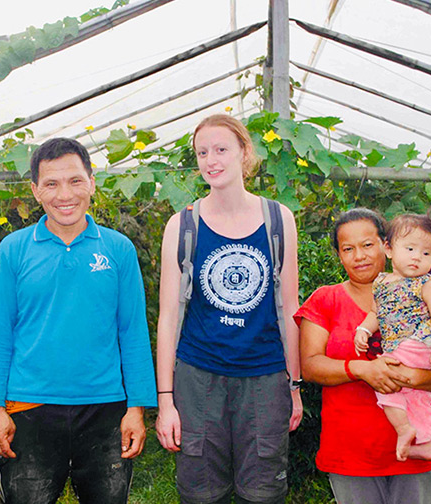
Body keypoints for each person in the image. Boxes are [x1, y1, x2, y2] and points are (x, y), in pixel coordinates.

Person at [0, 137, 157, 504]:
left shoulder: (118, 249)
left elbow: (133, 332)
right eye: (51, 184)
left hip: (106, 408)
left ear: (92, 182)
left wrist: (136, 408)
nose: (65, 194)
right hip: (28, 407)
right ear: (35, 191)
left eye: (75, 181)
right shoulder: (13, 250)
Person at [155, 114, 303, 504]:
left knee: (264, 493)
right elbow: (168, 317)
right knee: (202, 493)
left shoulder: (277, 219)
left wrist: (295, 387)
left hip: (265, 377)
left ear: (244, 153)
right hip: (199, 378)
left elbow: (290, 309)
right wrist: (166, 400)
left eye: (221, 149)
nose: (211, 161)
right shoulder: (182, 225)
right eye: (202, 152)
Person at [295, 208, 431, 504]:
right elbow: (310, 366)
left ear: (387, 245)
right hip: (351, 451)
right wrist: (363, 370)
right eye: (348, 249)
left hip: (416, 448)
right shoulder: (326, 299)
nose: (359, 256)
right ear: (339, 255)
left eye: (367, 245)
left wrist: (407, 377)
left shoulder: (421, 291)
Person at [354, 214, 431, 462]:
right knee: (416, 395)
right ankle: (428, 443)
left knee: (385, 382)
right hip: (400, 347)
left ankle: (403, 429)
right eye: (410, 249)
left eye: (426, 253)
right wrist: (363, 330)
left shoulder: (427, 283)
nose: (417, 257)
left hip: (417, 345)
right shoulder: (382, 282)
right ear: (388, 249)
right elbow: (377, 313)